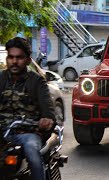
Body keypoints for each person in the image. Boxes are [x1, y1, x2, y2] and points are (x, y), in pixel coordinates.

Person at [0, 37, 56, 180]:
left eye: (19, 57)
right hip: (3, 131)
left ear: (28, 60)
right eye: (11, 57)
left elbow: (48, 108)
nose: (14, 61)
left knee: (32, 150)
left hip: (27, 133)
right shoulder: (1, 78)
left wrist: (47, 119)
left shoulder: (37, 81)